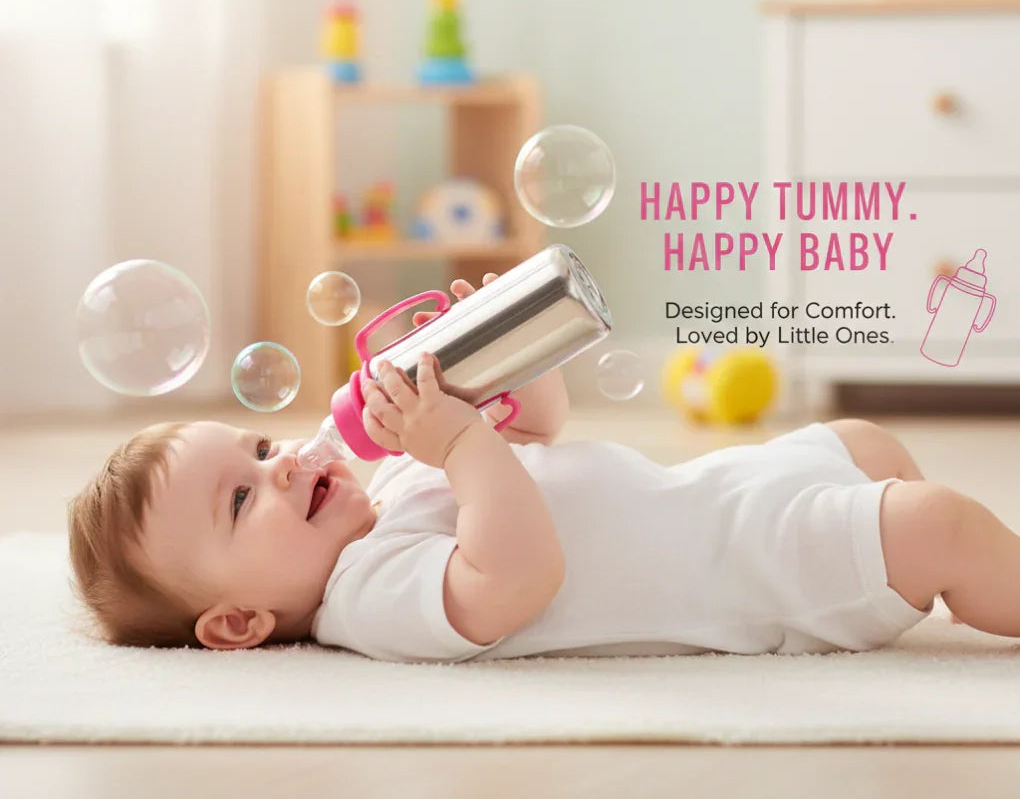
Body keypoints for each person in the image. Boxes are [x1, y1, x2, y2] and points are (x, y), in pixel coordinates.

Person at [67, 275, 1016, 661]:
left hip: (724, 494)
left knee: (867, 445)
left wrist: (508, 359)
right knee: (934, 524)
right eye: (241, 499)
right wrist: (454, 443)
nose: (279, 468)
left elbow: (538, 434)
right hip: (753, 572)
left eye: (262, 449)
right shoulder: (368, 597)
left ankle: (950, 568)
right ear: (239, 622)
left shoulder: (387, 482)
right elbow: (517, 576)